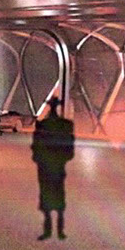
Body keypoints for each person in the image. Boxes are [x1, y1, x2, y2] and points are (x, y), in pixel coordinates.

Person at [31, 96, 74, 241]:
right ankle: (59, 231)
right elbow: (69, 147)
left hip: (46, 166)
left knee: (47, 195)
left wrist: (40, 159)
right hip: (57, 165)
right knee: (58, 195)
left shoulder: (43, 125)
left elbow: (36, 146)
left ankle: (48, 231)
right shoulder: (66, 125)